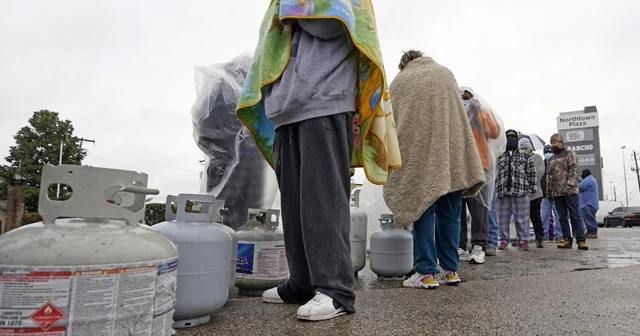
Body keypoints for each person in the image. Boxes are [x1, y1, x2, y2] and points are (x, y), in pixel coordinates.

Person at [237, 1, 401, 321]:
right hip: (287, 109)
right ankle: (302, 283)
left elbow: (332, 23)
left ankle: (336, 289)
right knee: (295, 205)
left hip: (324, 99)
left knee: (323, 199)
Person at [383, 50, 485, 289]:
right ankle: (451, 270)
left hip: (418, 155)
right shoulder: (445, 74)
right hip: (450, 155)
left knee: (421, 210)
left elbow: (392, 119)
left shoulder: (400, 81)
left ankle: (426, 272)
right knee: (451, 213)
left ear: (403, 64)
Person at [458, 87, 503, 264]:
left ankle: (479, 246)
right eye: (461, 97)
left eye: (467, 97)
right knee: (457, 209)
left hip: (479, 165)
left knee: (479, 208)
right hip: (459, 166)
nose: (464, 100)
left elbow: (495, 131)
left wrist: (478, 112)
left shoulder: (481, 114)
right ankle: (460, 246)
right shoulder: (455, 113)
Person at [496, 130, 537, 251]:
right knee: (502, 219)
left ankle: (523, 241)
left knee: (522, 218)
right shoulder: (499, 155)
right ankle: (503, 240)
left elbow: (532, 172)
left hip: (520, 192)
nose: (510, 139)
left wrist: (531, 190)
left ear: (517, 139)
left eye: (513, 137)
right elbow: (494, 173)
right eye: (508, 137)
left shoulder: (524, 155)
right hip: (502, 192)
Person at [546, 134, 588, 250]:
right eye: (551, 142)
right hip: (557, 193)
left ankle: (580, 240)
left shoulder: (570, 154)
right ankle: (567, 239)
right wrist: (549, 191)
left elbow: (574, 170)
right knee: (562, 217)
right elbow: (549, 177)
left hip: (570, 191)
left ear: (561, 142)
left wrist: (570, 185)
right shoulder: (551, 159)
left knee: (575, 215)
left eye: (555, 142)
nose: (553, 145)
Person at [519, 138, 546, 248]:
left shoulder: (537, 158)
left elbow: (539, 173)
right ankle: (522, 238)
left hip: (535, 194)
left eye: (525, 148)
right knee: (521, 218)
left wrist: (528, 184)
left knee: (535, 216)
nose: (524, 150)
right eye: (521, 148)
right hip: (521, 193)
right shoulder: (519, 159)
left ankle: (539, 238)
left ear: (530, 147)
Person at [540, 145, 561, 241]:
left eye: (549, 152)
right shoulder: (541, 165)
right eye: (546, 152)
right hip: (544, 195)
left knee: (558, 215)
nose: (547, 154)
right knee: (544, 216)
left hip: (556, 194)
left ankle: (559, 235)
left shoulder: (557, 164)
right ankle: (544, 234)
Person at [579, 169, 600, 238]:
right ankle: (590, 232)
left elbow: (579, 187)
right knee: (588, 218)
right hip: (589, 203)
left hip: (589, 203)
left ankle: (593, 232)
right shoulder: (591, 179)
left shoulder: (589, 180)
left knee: (590, 218)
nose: (581, 175)